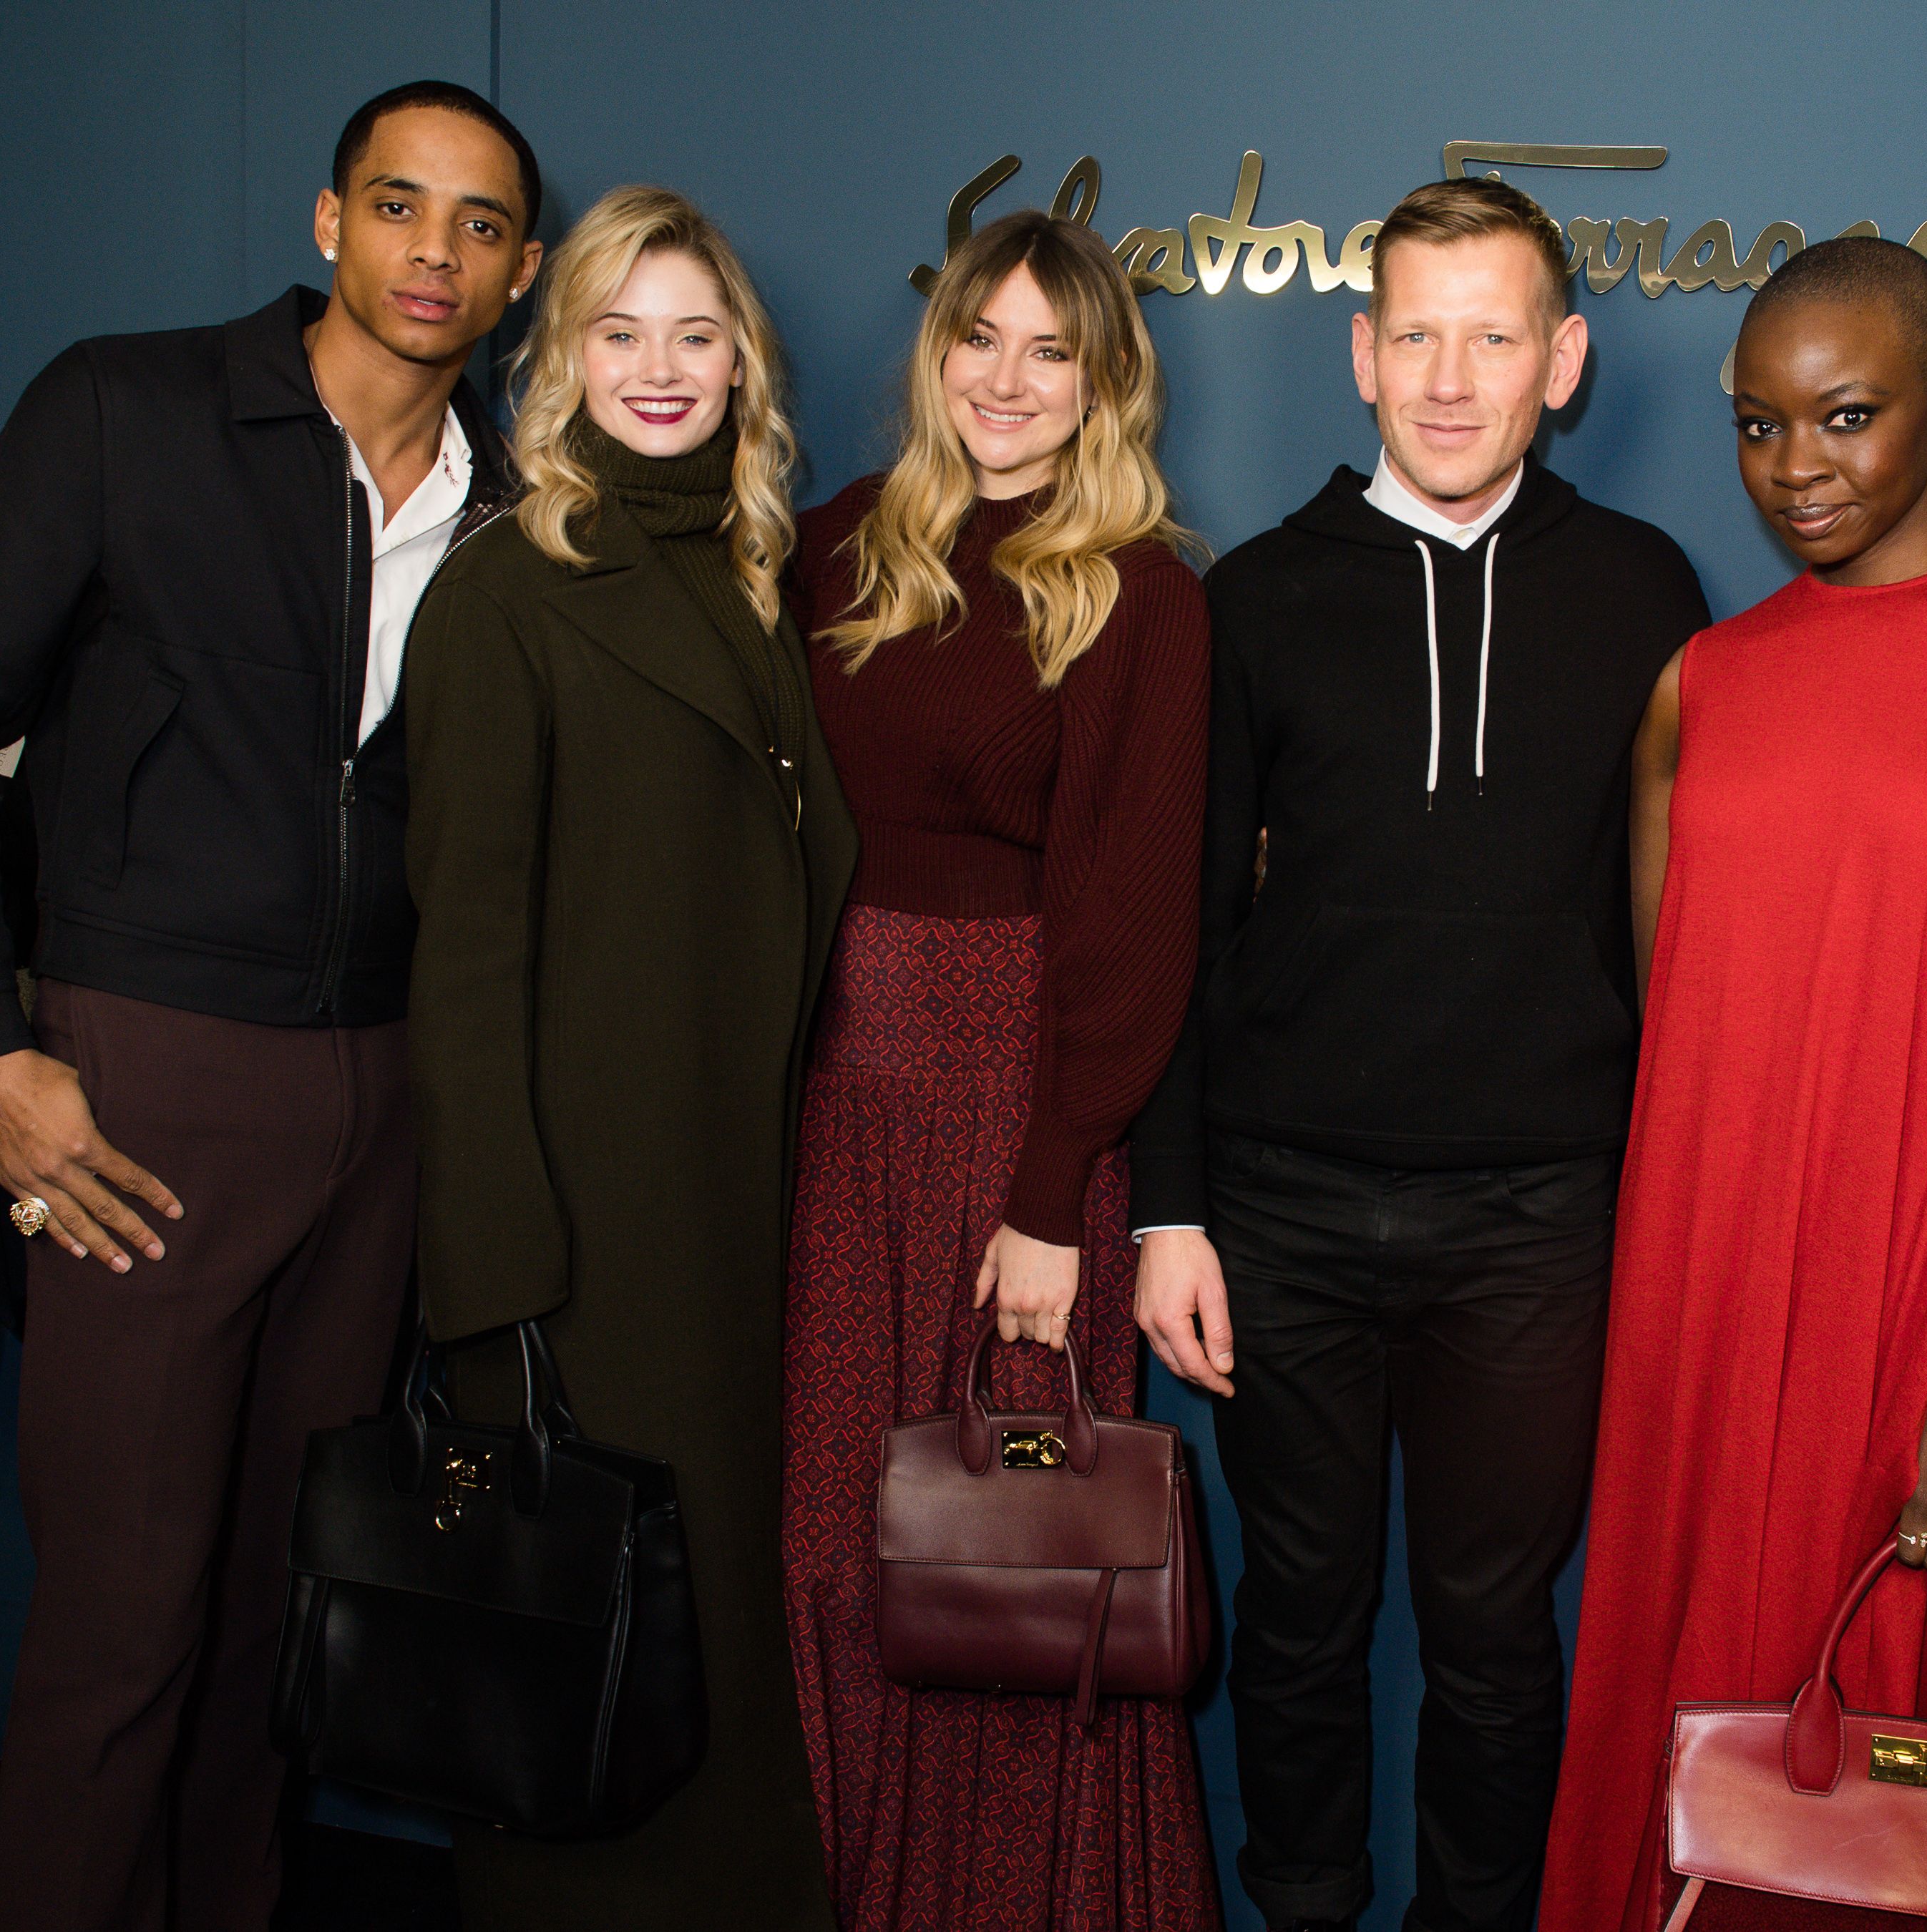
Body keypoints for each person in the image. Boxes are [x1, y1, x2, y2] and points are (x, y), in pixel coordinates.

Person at [1538, 237, 1927, 1932]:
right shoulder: (1707, 681)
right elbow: (1688, 1032)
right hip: (1717, 1295)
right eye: (1759, 426)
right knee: (1706, 1723)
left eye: (1846, 416)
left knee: (1902, 1789)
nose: (1795, 468)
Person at [1124, 176, 1711, 1932]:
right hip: (1283, 1211)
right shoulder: (1255, 599)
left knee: (1495, 1636)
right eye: (1419, 338)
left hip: (1538, 1221)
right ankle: (1302, 1908)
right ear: (1364, 355)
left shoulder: (1645, 589)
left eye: (1495, 337)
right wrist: (1169, 1209)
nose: (1453, 380)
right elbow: (1179, 929)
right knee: (1298, 1624)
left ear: (1564, 362)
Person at [0, 81, 538, 1929]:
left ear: (520, 272)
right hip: (144, 1084)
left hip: (381, 1110)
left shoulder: (513, 511)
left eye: (478, 226)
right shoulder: (125, 409)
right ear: (329, 222)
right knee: (120, 1626)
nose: (434, 253)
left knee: (268, 1628)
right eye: (399, 206)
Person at [403, 185, 855, 1931]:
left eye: (695, 333)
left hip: (742, 1207)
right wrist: (496, 1292)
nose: (659, 369)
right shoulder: (508, 592)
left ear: (742, 362)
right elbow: (464, 963)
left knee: (713, 1633)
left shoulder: (755, 577)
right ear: (562, 356)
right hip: (587, 1234)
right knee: (593, 1652)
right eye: (619, 332)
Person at [781, 208, 1219, 1931]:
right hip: (830, 1113)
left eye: (1054, 352)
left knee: (1010, 1557)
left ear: (1105, 383)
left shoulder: (1139, 593)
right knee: (836, 1539)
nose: (1010, 381)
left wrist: (1051, 1199)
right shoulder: (831, 548)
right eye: (982, 339)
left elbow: (1131, 927)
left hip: (1017, 1115)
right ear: (937, 351)